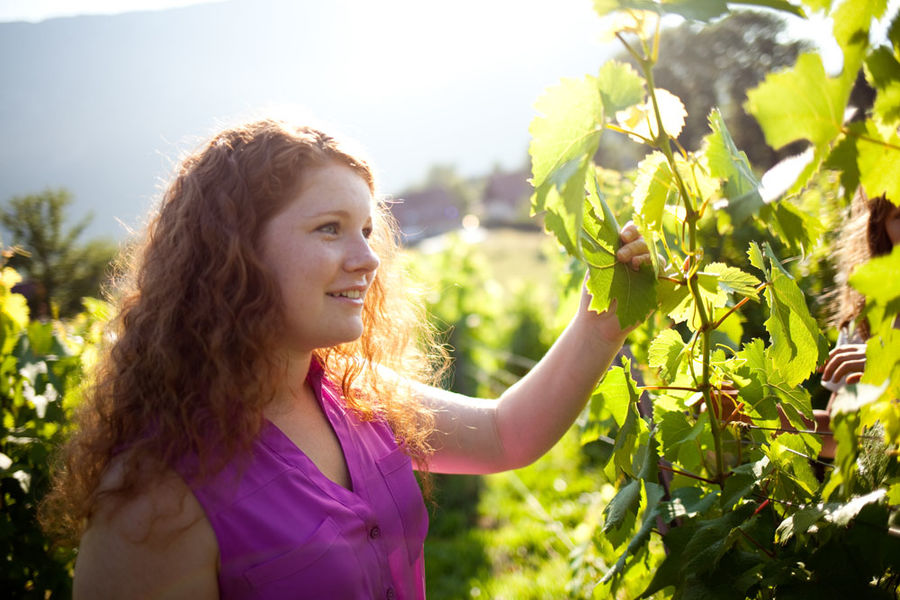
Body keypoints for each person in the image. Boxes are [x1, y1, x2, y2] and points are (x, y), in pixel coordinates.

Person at [40, 118, 651, 599]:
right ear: (232, 254)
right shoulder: (153, 498)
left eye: (365, 230)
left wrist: (599, 327)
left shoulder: (355, 392)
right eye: (330, 228)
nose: (368, 259)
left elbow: (502, 435)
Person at [817, 187, 900, 457]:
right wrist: (753, 415)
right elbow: (838, 437)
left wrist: (890, 363)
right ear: (880, 228)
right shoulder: (865, 321)